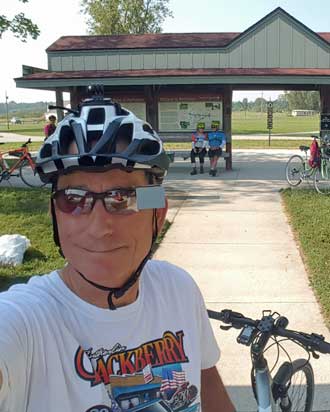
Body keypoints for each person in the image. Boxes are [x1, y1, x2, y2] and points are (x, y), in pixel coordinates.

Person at [0, 89, 235, 412]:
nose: (99, 227)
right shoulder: (25, 321)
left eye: (122, 198)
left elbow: (207, 388)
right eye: (73, 198)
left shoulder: (178, 290)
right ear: (55, 215)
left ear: (158, 213)